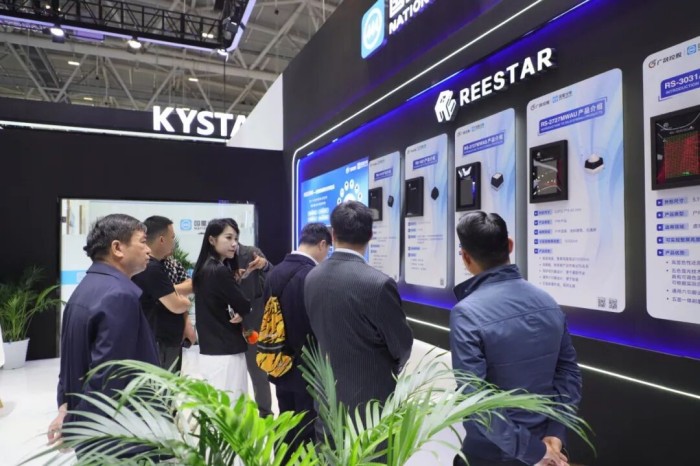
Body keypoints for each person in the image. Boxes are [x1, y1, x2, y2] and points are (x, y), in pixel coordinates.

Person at [450, 212, 582, 466]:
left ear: (465, 257)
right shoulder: (548, 301)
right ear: (509, 245)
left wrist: (534, 451)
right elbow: (568, 373)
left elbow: (475, 397)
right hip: (547, 448)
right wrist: (555, 433)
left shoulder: (466, 313)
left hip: (491, 454)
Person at [48, 214, 159, 447]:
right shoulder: (119, 295)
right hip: (118, 434)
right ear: (117, 248)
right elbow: (110, 377)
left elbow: (69, 364)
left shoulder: (85, 288)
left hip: (92, 429)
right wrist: (74, 426)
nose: (149, 250)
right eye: (142, 241)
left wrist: (66, 410)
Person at [304, 201, 413, 418]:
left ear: (333, 234)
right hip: (369, 405)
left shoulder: (312, 276)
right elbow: (401, 346)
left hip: (326, 397)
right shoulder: (378, 284)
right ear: (370, 235)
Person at [264, 222, 332, 451]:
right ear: (321, 244)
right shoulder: (312, 275)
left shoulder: (275, 272)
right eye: (328, 249)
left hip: (279, 362)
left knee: (286, 422)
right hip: (307, 368)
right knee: (307, 428)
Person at [192, 218, 251, 398]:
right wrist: (243, 311)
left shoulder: (204, 267)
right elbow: (244, 304)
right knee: (232, 406)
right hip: (226, 351)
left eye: (236, 239)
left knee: (218, 405)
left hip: (212, 349)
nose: (234, 244)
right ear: (212, 239)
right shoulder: (218, 270)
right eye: (228, 238)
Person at [132, 216, 195, 371]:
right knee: (163, 384)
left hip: (163, 340)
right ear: (161, 239)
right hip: (159, 342)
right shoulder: (151, 268)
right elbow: (178, 305)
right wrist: (184, 301)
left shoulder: (160, 265)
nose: (173, 242)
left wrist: (170, 291)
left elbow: (191, 285)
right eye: (172, 238)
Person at [225, 219, 274, 417]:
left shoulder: (252, 253)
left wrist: (265, 265)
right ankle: (232, 416)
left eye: (233, 237)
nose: (231, 242)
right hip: (225, 326)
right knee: (230, 374)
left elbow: (272, 277)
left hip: (252, 324)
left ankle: (265, 414)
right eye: (226, 237)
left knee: (258, 373)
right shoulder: (216, 260)